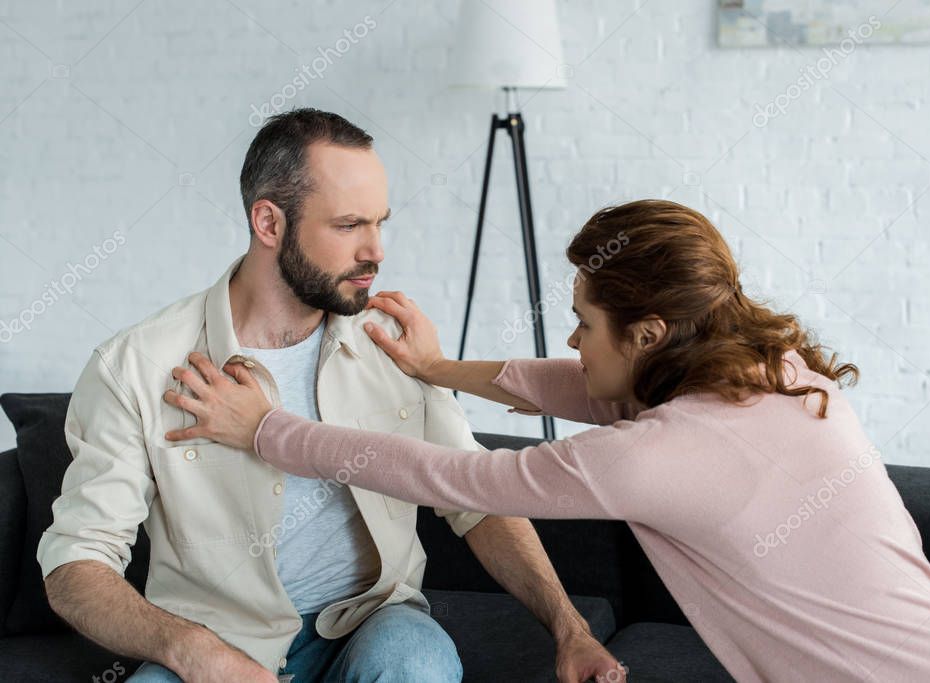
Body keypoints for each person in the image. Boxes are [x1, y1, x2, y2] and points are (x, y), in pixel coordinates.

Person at [165, 198, 930, 682]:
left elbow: (454, 476)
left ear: (649, 332)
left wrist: (269, 429)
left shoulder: (656, 456)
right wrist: (439, 369)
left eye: (583, 322)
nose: (572, 340)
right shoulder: (775, 371)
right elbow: (593, 388)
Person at [39, 108, 622, 683]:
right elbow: (75, 563)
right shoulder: (135, 366)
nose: (376, 250)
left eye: (379, 222)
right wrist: (192, 651)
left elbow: (476, 498)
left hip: (372, 623)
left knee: (414, 663)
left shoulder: (392, 343)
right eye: (349, 226)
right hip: (219, 645)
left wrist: (571, 630)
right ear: (269, 224)